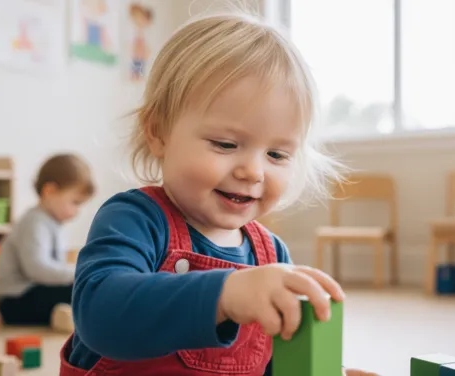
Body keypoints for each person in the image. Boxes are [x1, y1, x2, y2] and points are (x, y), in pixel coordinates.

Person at [59, 10, 378, 376]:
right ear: (158, 132)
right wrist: (226, 294)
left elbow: (270, 362)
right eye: (226, 144)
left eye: (276, 154)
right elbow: (100, 316)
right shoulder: (134, 220)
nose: (253, 171)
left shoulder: (271, 255)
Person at [0, 154, 95, 331]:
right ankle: (69, 315)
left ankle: (66, 315)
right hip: (15, 302)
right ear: (50, 191)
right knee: (80, 289)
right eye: (74, 202)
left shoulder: (53, 222)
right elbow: (38, 269)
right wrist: (77, 273)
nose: (77, 211)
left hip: (30, 295)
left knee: (84, 288)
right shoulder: (35, 222)